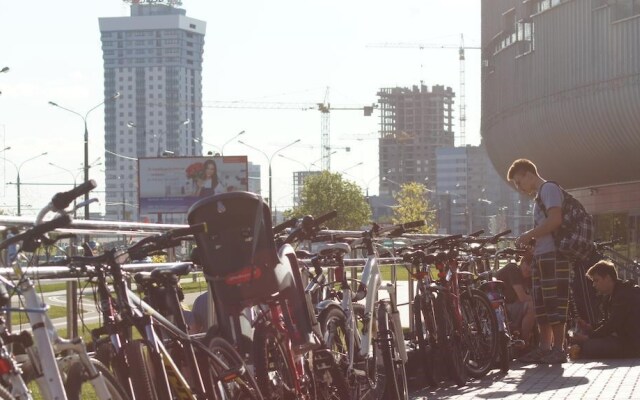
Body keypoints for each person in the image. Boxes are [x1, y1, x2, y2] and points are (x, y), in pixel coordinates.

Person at [508, 158, 570, 364]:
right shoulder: (539, 197)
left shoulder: (549, 189)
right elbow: (548, 226)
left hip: (554, 255)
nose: (519, 187)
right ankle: (545, 347)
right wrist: (533, 241)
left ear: (528, 174)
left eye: (519, 181)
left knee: (555, 301)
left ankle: (559, 349)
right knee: (542, 304)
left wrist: (528, 235)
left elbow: (555, 220)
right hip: (542, 255)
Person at [571, 260, 640, 358]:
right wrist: (590, 327)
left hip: (634, 343)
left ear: (607, 278)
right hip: (626, 339)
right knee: (589, 343)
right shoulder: (612, 295)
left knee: (588, 346)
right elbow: (608, 322)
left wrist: (588, 337)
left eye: (596, 280)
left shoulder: (623, 295)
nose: (594, 285)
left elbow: (613, 324)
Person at [495, 257, 536, 350]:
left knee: (534, 304)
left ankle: (527, 341)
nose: (529, 269)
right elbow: (522, 297)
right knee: (533, 306)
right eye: (527, 264)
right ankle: (525, 343)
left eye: (532, 266)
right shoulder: (513, 269)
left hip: (509, 307)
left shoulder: (528, 278)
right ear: (522, 263)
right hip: (504, 308)